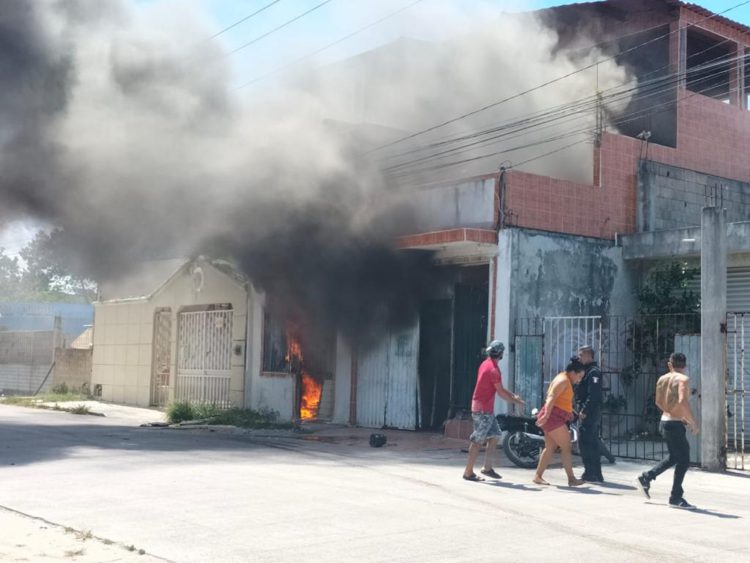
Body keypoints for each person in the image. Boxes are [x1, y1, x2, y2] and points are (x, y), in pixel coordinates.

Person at [636, 353, 699, 510]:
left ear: (670, 364)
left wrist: (672, 414)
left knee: (674, 457)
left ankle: (646, 478)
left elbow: (658, 401)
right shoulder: (683, 379)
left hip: (664, 422)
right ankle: (675, 497)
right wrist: (692, 422)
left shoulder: (662, 379)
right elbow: (682, 401)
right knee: (684, 460)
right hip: (675, 425)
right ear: (684, 366)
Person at [463, 340, 525, 482]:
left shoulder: (486, 364)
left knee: (495, 435)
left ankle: (487, 467)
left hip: (485, 409)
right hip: (482, 409)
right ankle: (468, 472)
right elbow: (501, 393)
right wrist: (515, 401)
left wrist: (513, 395)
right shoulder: (493, 370)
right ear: (501, 353)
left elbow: (500, 389)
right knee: (477, 440)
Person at [533, 357, 586, 487]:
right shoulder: (563, 380)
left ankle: (538, 476)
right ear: (573, 372)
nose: (579, 380)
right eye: (579, 376)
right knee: (566, 447)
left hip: (554, 417)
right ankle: (571, 479)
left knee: (550, 448)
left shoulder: (564, 378)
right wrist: (546, 415)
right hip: (553, 418)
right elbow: (551, 397)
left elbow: (561, 400)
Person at [575, 345, 604, 483]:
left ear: (589, 355)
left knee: (587, 442)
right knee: (590, 442)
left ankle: (591, 473)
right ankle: (594, 473)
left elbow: (594, 395)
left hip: (590, 413)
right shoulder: (587, 371)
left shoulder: (593, 372)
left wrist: (585, 410)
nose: (579, 357)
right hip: (588, 411)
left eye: (581, 355)